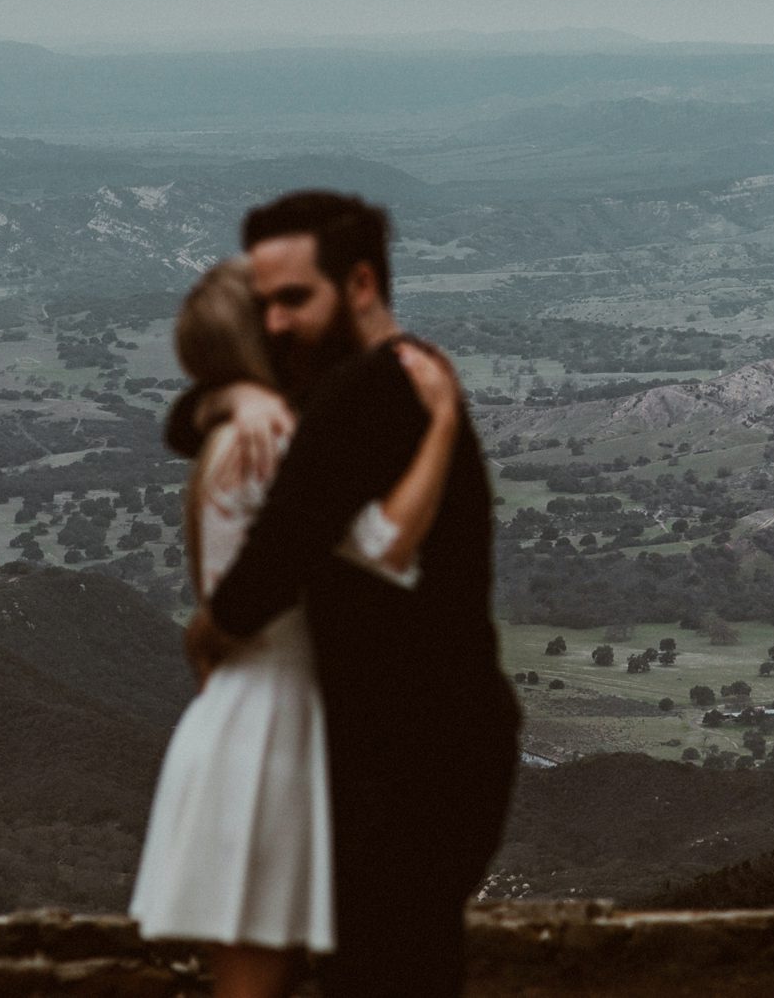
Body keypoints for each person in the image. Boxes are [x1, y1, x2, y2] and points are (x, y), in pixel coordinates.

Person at [175, 192, 523, 998]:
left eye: (294, 299)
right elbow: (187, 423)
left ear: (361, 283)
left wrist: (209, 630)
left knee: (387, 970)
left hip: (412, 760)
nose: (276, 325)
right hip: (430, 747)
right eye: (263, 307)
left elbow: (263, 575)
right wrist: (232, 397)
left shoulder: (361, 397)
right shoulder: (398, 375)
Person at [128, 257, 466, 998]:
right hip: (271, 732)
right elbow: (385, 545)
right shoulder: (271, 443)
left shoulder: (245, 430)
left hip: (256, 715)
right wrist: (443, 422)